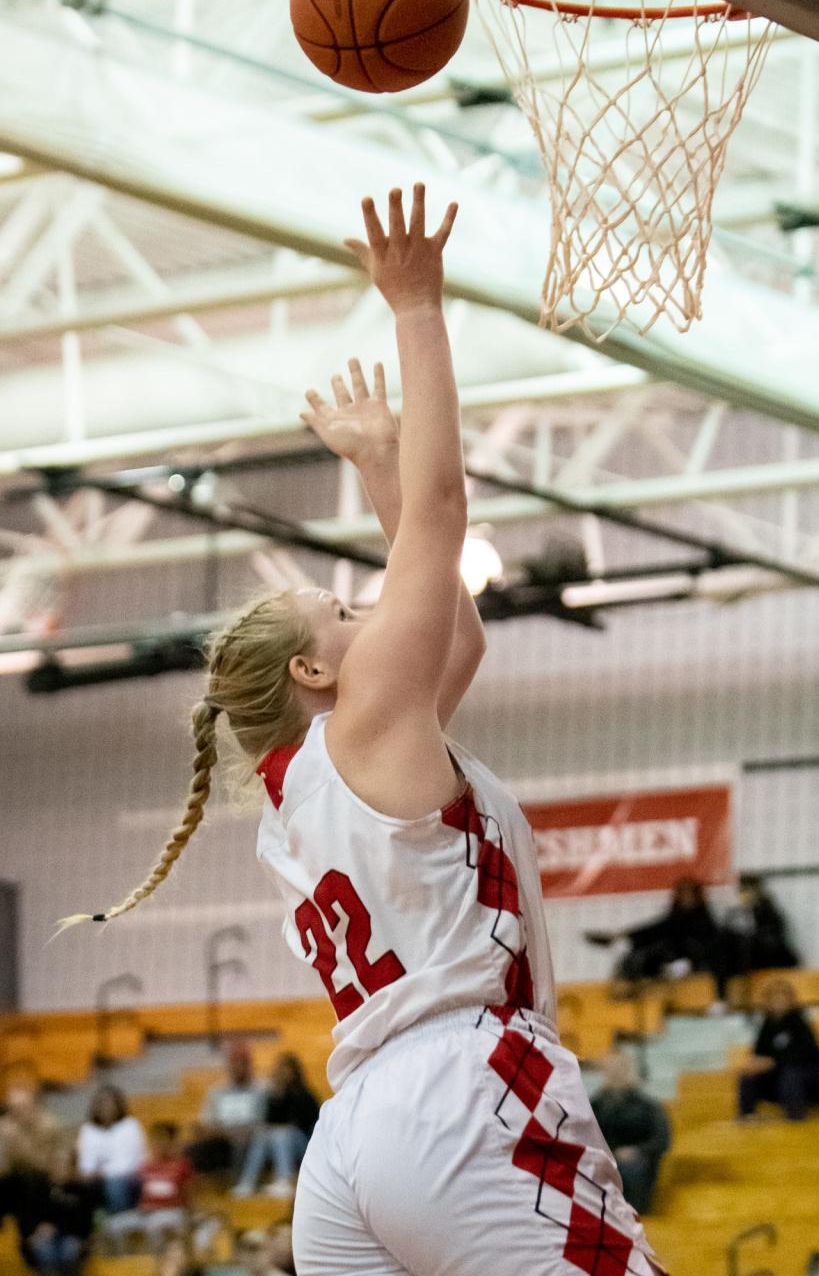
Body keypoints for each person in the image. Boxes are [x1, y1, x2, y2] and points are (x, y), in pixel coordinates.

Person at [61, 185, 664, 1276]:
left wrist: (374, 465)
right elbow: (441, 523)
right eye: (342, 615)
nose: (366, 612)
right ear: (312, 671)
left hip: (354, 1147)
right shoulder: (366, 725)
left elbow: (458, 640)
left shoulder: (304, 794)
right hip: (462, 1097)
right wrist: (417, 304)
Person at [586, 880, 719, 986]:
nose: (686, 898)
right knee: (653, 941)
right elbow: (654, 930)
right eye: (682, 894)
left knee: (667, 933)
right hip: (667, 957)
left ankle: (625, 941)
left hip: (689, 961)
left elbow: (709, 947)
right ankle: (625, 942)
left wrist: (691, 962)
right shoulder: (675, 917)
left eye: (689, 894)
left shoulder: (704, 921)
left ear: (697, 896)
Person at [589, 1050, 671, 1215]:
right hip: (602, 1158)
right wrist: (609, 1153)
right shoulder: (593, 1106)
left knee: (630, 1168)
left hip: (638, 1160)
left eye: (622, 1069)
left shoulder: (648, 1107)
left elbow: (662, 1139)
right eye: (612, 1069)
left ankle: (633, 1214)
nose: (617, 1074)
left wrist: (638, 1151)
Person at [737, 978, 819, 1122]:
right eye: (773, 996)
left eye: (782, 995)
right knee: (747, 1076)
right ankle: (747, 1116)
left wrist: (773, 1062)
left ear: (791, 999)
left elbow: (804, 1055)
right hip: (778, 1077)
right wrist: (754, 1062)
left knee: (791, 1075)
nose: (778, 999)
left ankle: (795, 1117)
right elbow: (759, 1053)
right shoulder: (767, 1024)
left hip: (805, 1076)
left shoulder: (800, 1023)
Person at [233, 1054, 320, 1198]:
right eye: (280, 1068)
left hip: (304, 1143)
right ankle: (247, 1182)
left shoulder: (305, 1094)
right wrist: (277, 1096)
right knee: (262, 1134)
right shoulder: (274, 1095)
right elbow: (269, 1121)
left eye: (286, 1068)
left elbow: (311, 1123)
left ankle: (284, 1179)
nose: (282, 1072)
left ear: (294, 1071)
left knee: (281, 1133)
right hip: (279, 1142)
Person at [708, 875, 800, 1009]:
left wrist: (752, 933)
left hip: (763, 956)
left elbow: (774, 939)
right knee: (724, 945)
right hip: (739, 959)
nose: (746, 894)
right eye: (743, 890)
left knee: (745, 942)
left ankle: (742, 996)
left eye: (749, 890)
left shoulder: (768, 911)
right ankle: (721, 997)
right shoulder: (734, 913)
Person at [104, 1121, 193, 1252]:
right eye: (154, 1140)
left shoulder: (181, 1165)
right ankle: (125, 1263)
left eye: (162, 1139)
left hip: (171, 1211)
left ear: (170, 1141)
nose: (158, 1144)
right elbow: (140, 1194)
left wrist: (184, 1212)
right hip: (145, 1213)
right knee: (113, 1225)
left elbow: (189, 1195)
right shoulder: (145, 1167)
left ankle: (151, 1265)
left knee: (155, 1226)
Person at [0, 1084, 65, 1252]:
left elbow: (51, 1168)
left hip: (44, 1185)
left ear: (35, 1107)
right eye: (12, 1109)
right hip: (14, 1186)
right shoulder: (5, 1128)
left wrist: (19, 1147)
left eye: (22, 1108)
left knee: (31, 1181)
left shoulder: (49, 1126)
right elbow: (3, 1170)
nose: (16, 1114)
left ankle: (31, 1241)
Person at [186, 1043, 266, 1178]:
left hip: (252, 1140)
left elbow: (263, 1121)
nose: (238, 1067)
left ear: (249, 1064)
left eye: (242, 1063)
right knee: (192, 1151)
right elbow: (206, 1123)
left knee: (248, 1144)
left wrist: (235, 1132)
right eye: (235, 1062)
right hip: (222, 1141)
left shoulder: (262, 1089)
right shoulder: (217, 1091)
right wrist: (227, 1132)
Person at [22, 1143, 98, 1276]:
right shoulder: (37, 1188)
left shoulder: (81, 1190)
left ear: (72, 1166)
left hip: (72, 1235)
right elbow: (27, 1216)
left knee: (69, 1249)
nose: (59, 1167)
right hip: (42, 1237)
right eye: (56, 1162)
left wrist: (56, 1227)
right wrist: (34, 1231)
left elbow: (85, 1224)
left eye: (64, 1163)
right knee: (44, 1250)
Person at [77, 1084, 146, 1215]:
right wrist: (90, 1173)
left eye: (109, 1102)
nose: (104, 1107)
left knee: (115, 1183)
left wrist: (102, 1173)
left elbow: (126, 1164)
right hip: (97, 1178)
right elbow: (86, 1163)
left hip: (129, 1176)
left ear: (118, 1105)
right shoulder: (88, 1130)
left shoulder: (130, 1126)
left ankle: (121, 1221)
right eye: (100, 1103)